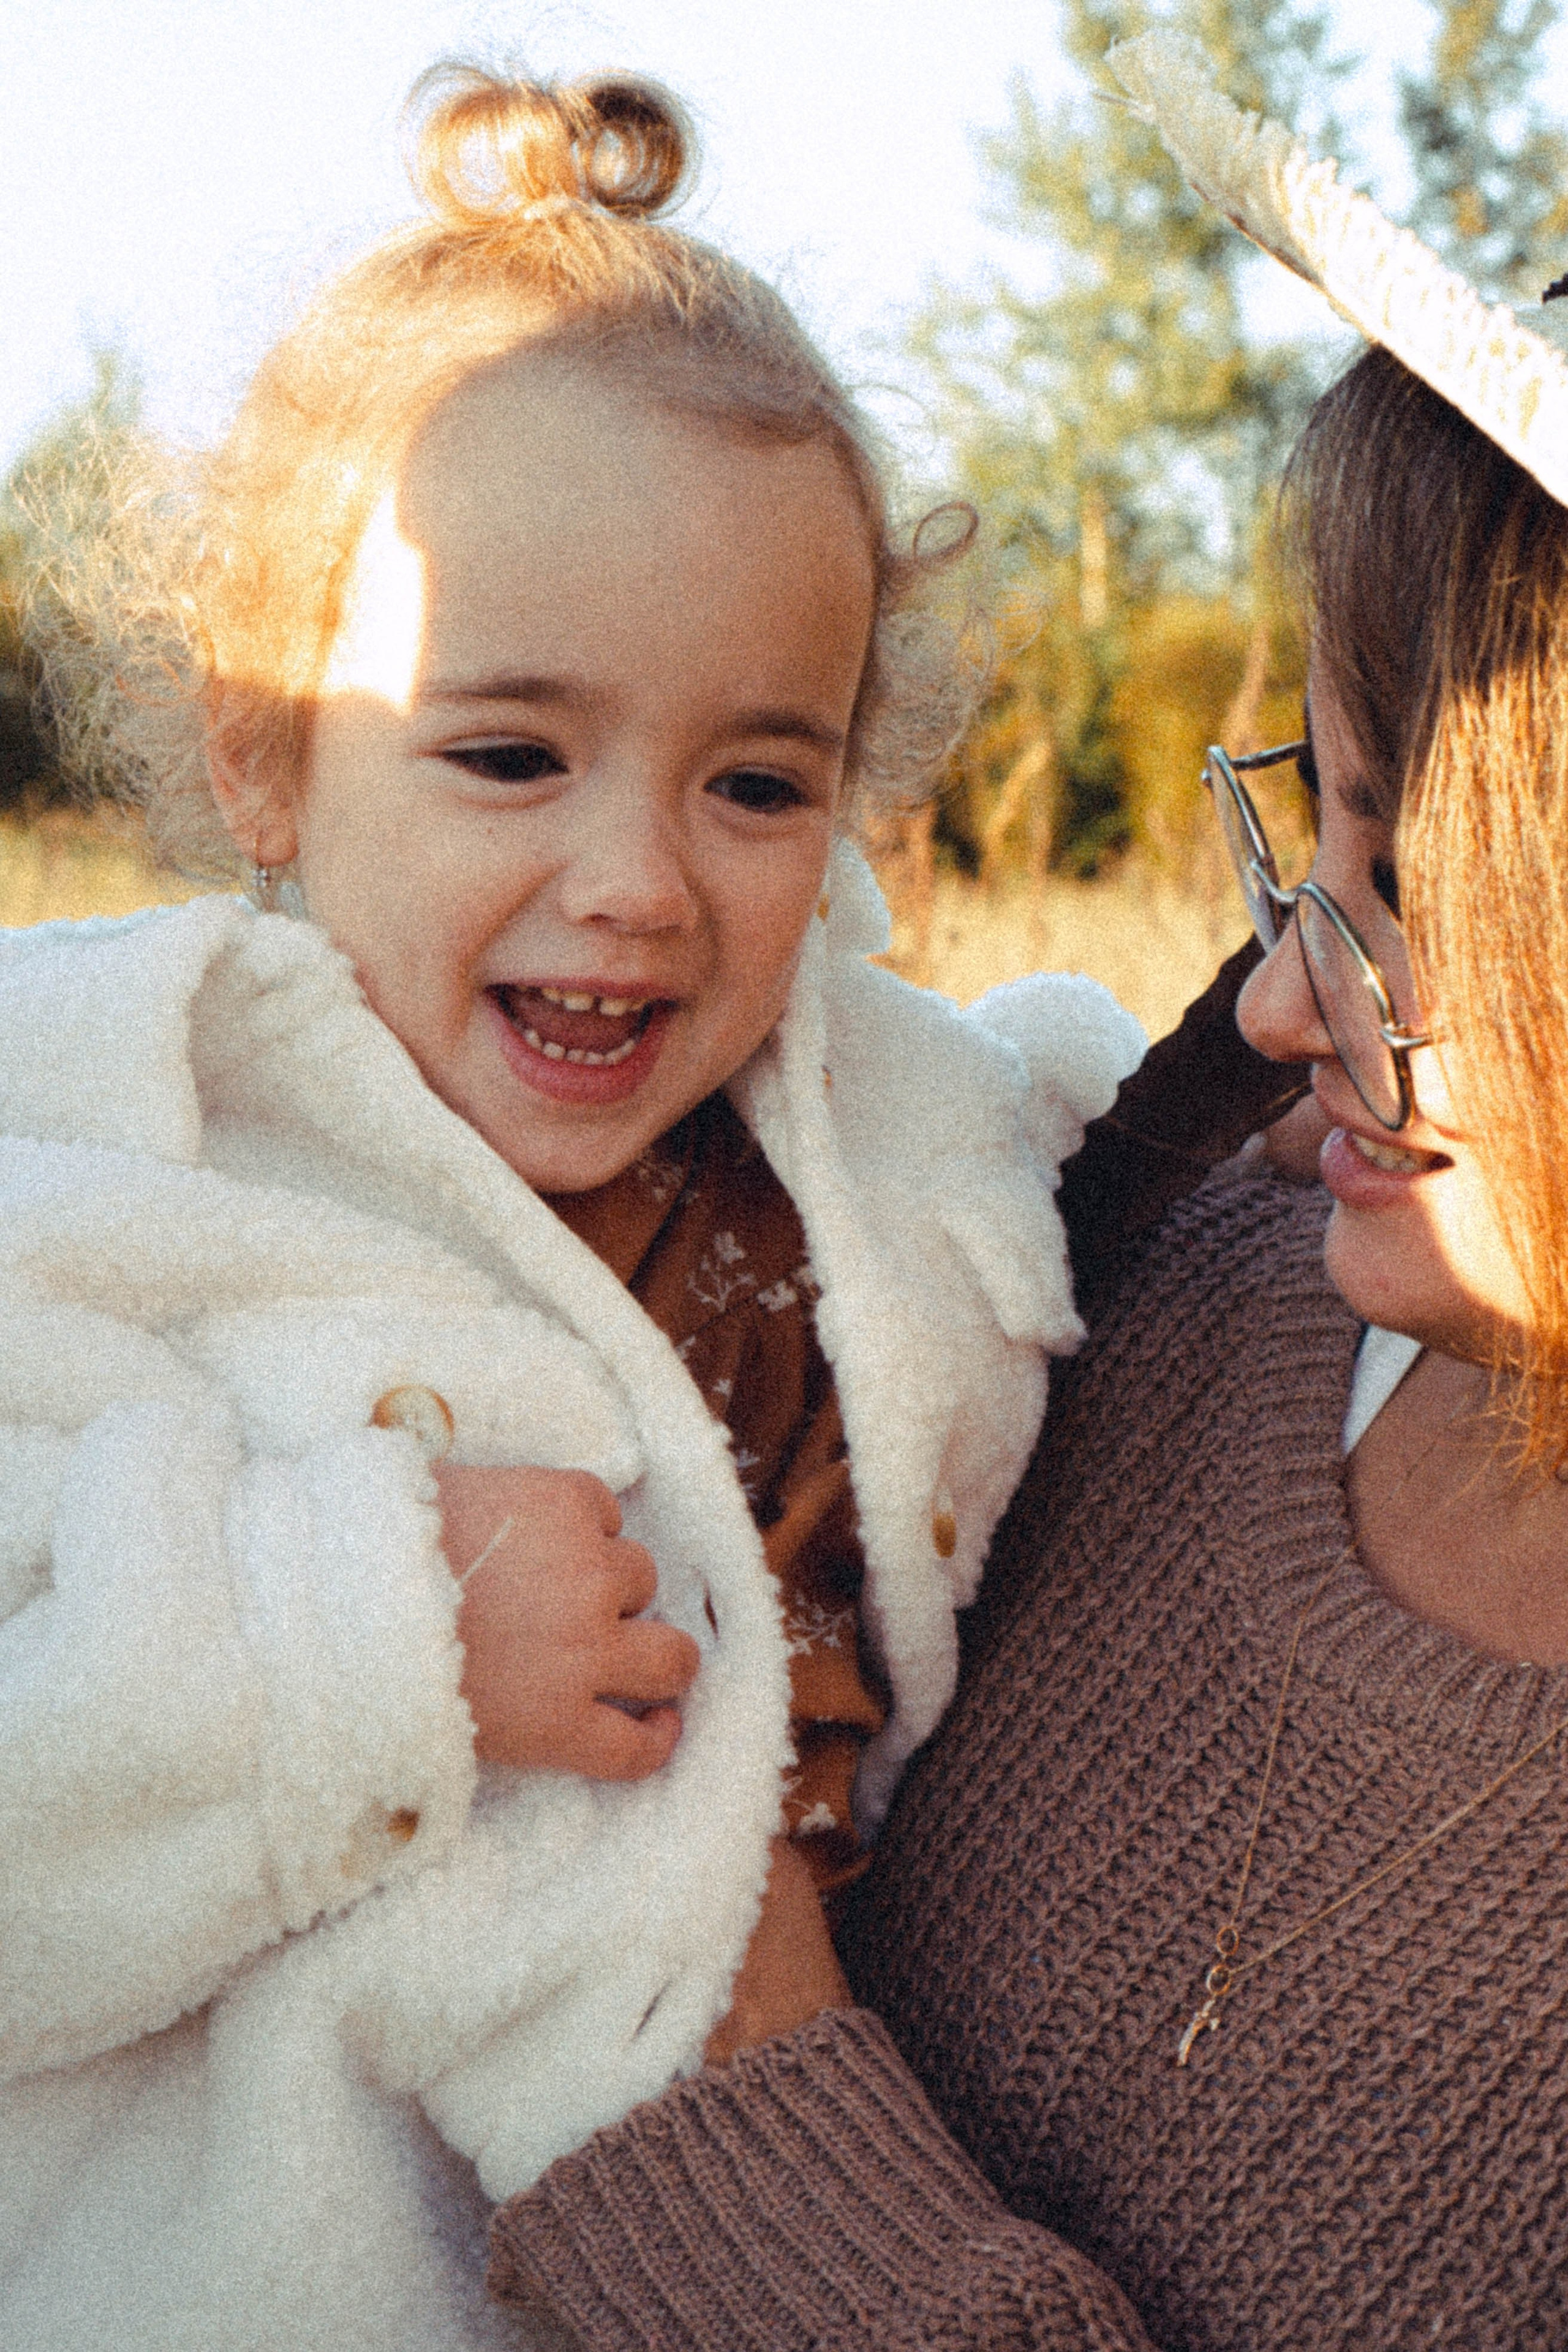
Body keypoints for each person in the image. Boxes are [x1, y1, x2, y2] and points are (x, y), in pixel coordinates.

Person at [0, 56, 1298, 2352]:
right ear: (264, 744)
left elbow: (1090, 1180)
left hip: (802, 2188)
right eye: (510, 753)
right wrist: (370, 1644)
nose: (638, 885)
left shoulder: (875, 1121)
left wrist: (1266, 1103)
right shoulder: (106, 1171)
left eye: (756, 781)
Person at [486, 36, 1568, 2352]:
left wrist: (726, 2018)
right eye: (1315, 841)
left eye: (1405, 888)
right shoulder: (1165, 1299)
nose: (1291, 1008)